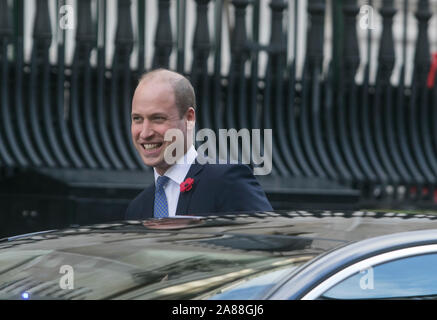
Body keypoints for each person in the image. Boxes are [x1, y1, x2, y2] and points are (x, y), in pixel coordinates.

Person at [125, 68, 272, 220]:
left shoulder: (227, 182)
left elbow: (266, 239)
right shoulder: (137, 208)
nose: (144, 133)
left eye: (158, 118)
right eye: (137, 119)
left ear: (189, 118)